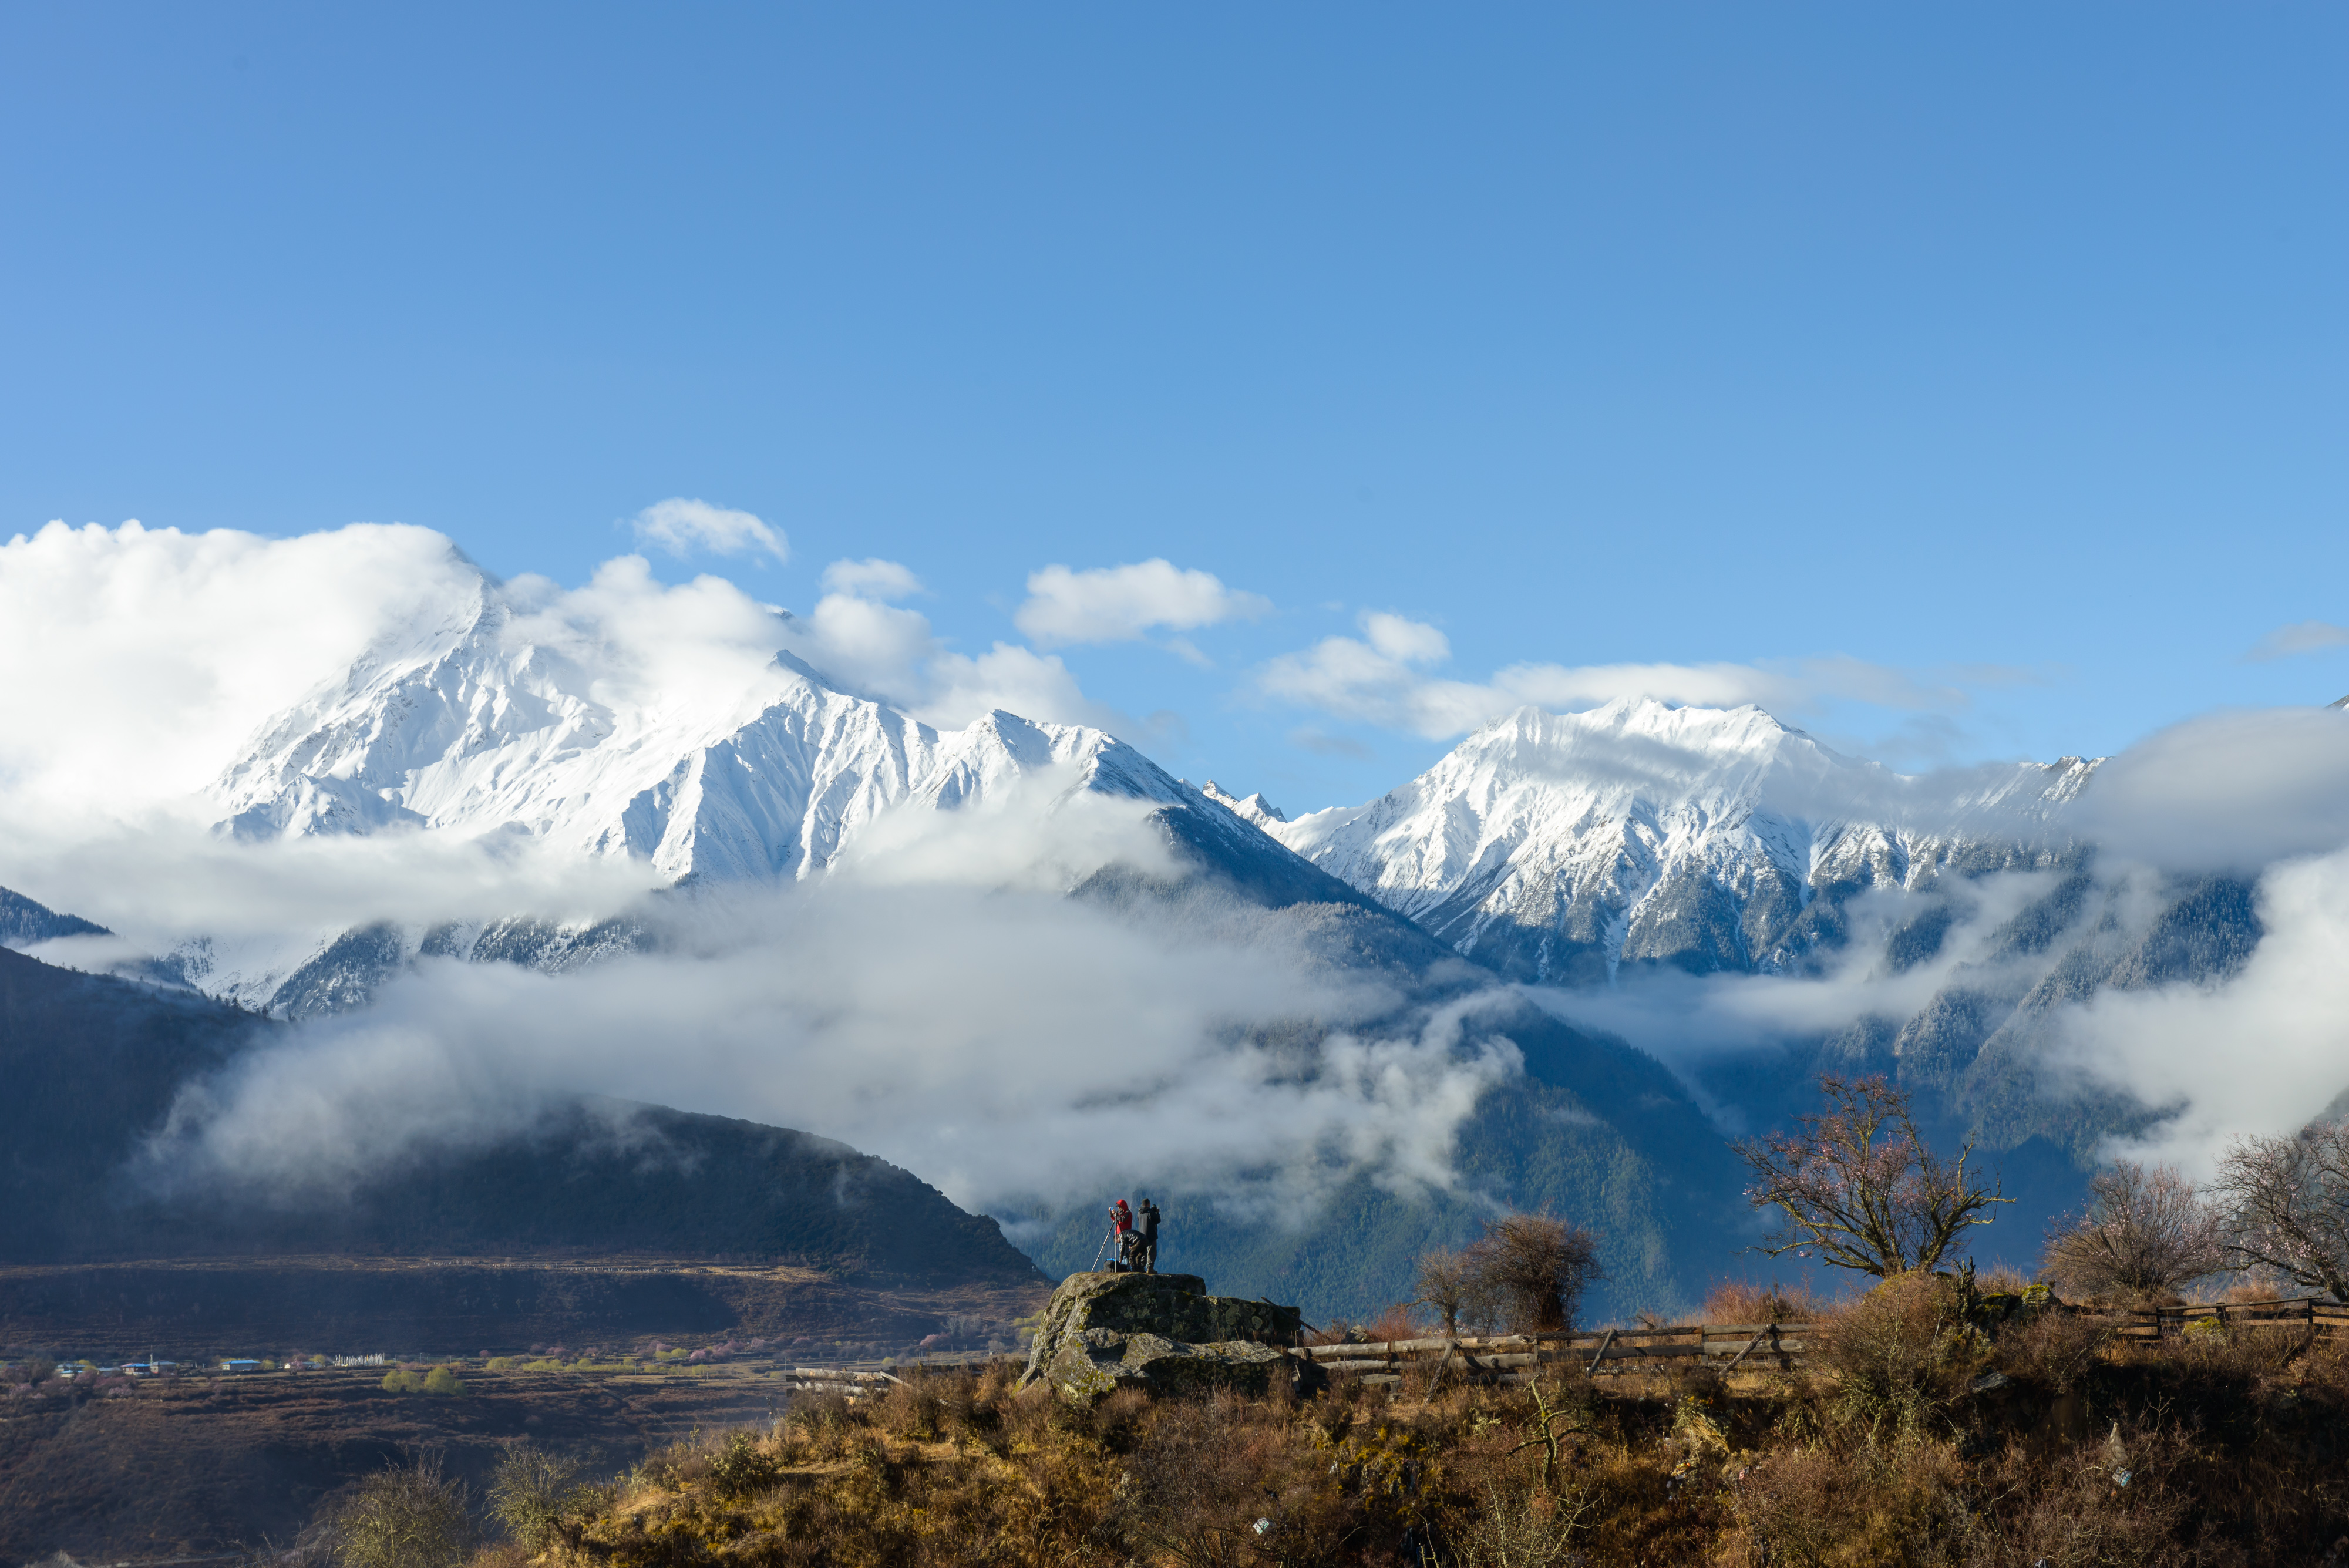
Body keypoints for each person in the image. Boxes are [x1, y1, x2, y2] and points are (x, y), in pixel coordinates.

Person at [1136, 1197, 1162, 1274]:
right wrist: (1156, 1213)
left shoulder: (1139, 1213)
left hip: (1142, 1235)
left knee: (1143, 1252)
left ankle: (1141, 1267)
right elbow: (1158, 1220)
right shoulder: (1150, 1213)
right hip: (1151, 1235)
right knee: (1151, 1252)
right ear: (1148, 1204)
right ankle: (1150, 1268)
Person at [1107, 1198, 1134, 1269]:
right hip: (1119, 1235)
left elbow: (1122, 1220)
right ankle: (1123, 1267)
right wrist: (1112, 1213)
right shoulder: (1120, 1214)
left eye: (1120, 1207)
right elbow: (1115, 1219)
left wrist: (1116, 1215)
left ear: (1123, 1206)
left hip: (1126, 1235)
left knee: (1125, 1252)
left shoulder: (1128, 1213)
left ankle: (1127, 1267)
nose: (1119, 1209)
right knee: (1121, 1252)